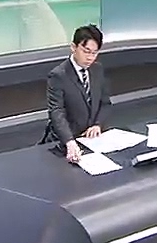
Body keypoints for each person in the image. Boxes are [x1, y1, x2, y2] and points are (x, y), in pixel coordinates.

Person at [42, 24, 112, 163]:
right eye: (86, 51)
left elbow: (105, 103)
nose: (90, 57)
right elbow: (56, 112)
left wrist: (97, 124)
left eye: (94, 53)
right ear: (73, 47)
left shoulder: (97, 70)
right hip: (65, 142)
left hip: (91, 139)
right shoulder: (58, 75)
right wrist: (69, 141)